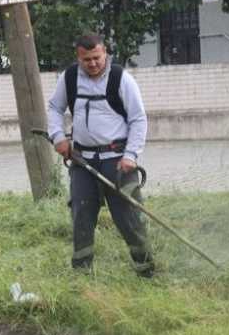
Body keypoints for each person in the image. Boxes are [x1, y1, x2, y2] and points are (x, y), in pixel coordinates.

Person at [46, 34, 154, 277]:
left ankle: (146, 270)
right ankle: (82, 274)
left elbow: (138, 119)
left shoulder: (120, 78)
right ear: (79, 57)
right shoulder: (70, 78)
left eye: (96, 58)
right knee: (81, 216)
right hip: (82, 161)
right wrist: (58, 136)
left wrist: (131, 155)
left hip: (118, 162)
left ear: (104, 53)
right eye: (86, 59)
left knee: (128, 218)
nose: (92, 63)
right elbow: (54, 108)